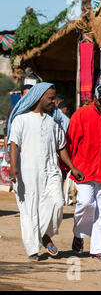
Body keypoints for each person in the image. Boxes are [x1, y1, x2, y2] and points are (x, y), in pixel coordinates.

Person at [7, 83, 84, 261]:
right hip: (27, 171)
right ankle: (33, 248)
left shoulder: (53, 121)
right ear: (39, 98)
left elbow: (61, 147)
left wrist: (73, 168)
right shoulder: (21, 120)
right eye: (50, 98)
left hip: (51, 170)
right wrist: (13, 167)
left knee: (57, 204)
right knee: (30, 209)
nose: (53, 102)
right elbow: (14, 144)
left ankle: (44, 234)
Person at [66, 84, 101, 261]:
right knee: (85, 203)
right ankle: (79, 235)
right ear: (95, 99)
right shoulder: (81, 114)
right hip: (84, 169)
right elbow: (71, 141)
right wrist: (71, 167)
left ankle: (99, 249)